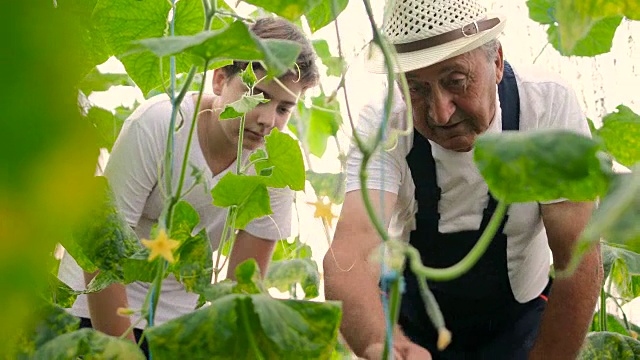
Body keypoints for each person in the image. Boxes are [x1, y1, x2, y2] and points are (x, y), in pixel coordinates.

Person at [323, 0, 602, 359]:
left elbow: (577, 259)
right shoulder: (384, 124)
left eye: (456, 81)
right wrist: (392, 348)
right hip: (411, 326)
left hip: (518, 324)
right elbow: (349, 257)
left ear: (497, 62)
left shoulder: (546, 108)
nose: (440, 112)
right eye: (417, 89)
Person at [58, 16, 319, 355]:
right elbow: (100, 253)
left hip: (179, 328)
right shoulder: (159, 123)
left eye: (283, 108)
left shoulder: (275, 163)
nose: (268, 119)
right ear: (220, 79)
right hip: (94, 310)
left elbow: (242, 286)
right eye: (256, 95)